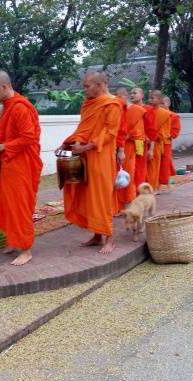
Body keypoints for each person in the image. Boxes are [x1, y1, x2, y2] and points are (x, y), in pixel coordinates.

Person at [59, 71, 121, 254]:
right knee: (88, 196)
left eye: (87, 86)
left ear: (101, 84)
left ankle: (110, 238)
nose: (84, 90)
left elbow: (110, 133)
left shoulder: (113, 104)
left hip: (101, 157)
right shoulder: (88, 104)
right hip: (85, 156)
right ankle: (96, 235)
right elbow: (83, 129)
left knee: (102, 196)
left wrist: (87, 147)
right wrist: (67, 143)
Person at [0, 70, 43, 266]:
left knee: (18, 206)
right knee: (5, 203)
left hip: (21, 165)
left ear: (4, 86)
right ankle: (13, 239)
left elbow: (29, 138)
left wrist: (1, 147)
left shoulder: (20, 107)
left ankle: (26, 249)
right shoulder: (8, 106)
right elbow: (3, 135)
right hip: (7, 163)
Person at [114, 87, 137, 212]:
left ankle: (129, 205)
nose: (116, 99)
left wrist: (124, 138)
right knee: (116, 176)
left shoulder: (136, 111)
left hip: (128, 147)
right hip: (114, 147)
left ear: (124, 96)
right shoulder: (115, 109)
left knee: (128, 175)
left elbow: (138, 132)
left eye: (118, 96)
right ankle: (117, 205)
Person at [145, 91, 170, 191]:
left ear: (159, 100)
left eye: (153, 98)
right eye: (149, 98)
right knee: (145, 167)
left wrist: (153, 136)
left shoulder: (165, 114)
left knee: (153, 167)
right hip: (144, 142)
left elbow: (165, 132)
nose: (150, 100)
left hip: (156, 144)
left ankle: (153, 187)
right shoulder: (145, 111)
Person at [129, 87, 150, 187]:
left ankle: (139, 188)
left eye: (135, 93)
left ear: (142, 95)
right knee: (130, 167)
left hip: (141, 141)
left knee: (139, 166)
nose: (132, 95)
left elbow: (150, 126)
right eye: (131, 93)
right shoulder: (129, 108)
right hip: (128, 141)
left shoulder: (147, 109)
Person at [159, 94, 180, 188]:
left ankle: (164, 181)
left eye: (162, 103)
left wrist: (169, 135)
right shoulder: (156, 114)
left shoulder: (173, 116)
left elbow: (175, 130)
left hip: (166, 142)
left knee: (165, 162)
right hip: (156, 142)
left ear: (168, 104)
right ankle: (157, 181)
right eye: (159, 104)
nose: (161, 106)